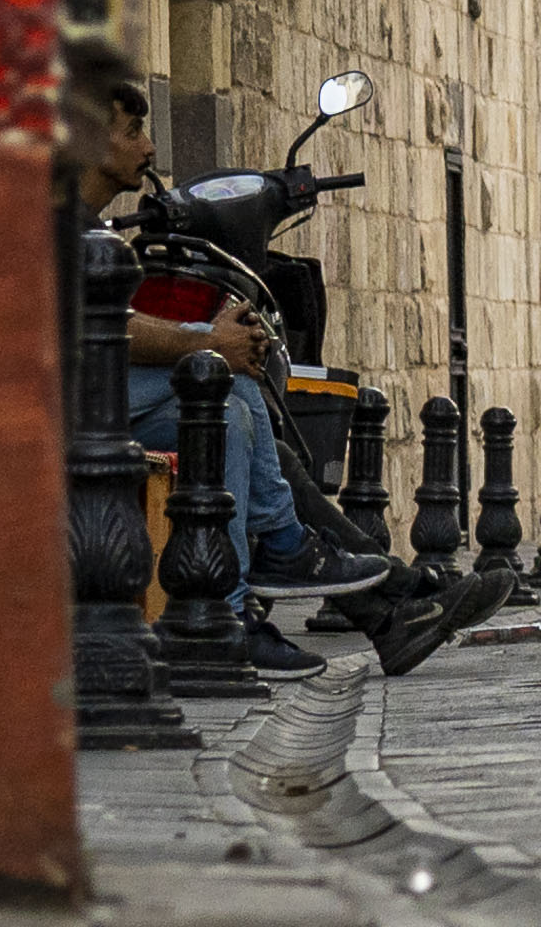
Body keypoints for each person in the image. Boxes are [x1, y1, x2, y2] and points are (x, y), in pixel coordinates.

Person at [86, 81, 385, 683]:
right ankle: (254, 578)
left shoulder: (89, 226)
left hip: (97, 392)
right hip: (64, 405)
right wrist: (205, 340)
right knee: (219, 382)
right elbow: (94, 324)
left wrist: (212, 342)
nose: (147, 148)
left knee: (232, 405)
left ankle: (241, 596)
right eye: (132, 132)